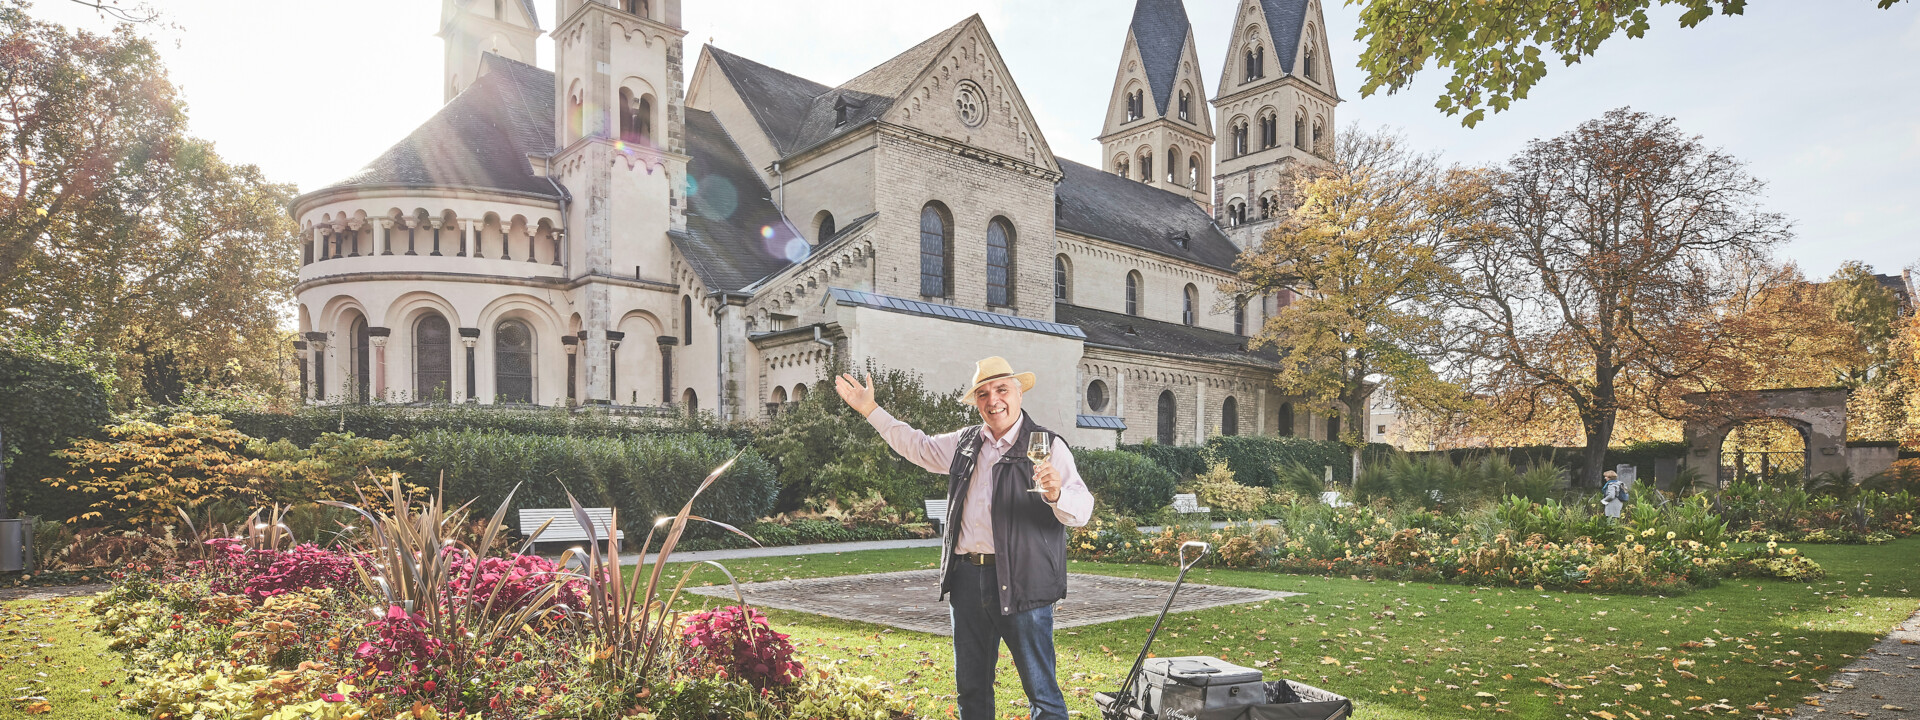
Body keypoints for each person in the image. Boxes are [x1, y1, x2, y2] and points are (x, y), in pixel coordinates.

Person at [835, 357, 1094, 720]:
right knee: (971, 691)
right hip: (968, 580)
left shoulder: (1047, 445)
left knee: (1042, 695)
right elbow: (916, 445)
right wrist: (870, 410)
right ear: (976, 402)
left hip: (1025, 582)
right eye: (983, 394)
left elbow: (1082, 510)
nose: (993, 400)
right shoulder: (965, 443)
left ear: (1018, 393)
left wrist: (1056, 495)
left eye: (1001, 390)